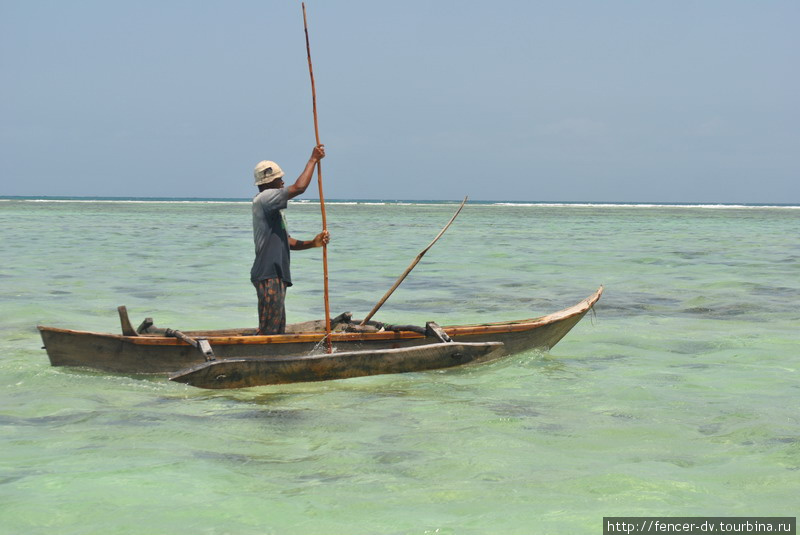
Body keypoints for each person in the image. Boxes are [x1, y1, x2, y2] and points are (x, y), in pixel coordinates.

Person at [251, 144, 329, 335]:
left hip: (276, 274)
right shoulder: (265, 198)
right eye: (279, 179)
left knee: (277, 328)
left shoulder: (274, 209)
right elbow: (299, 187)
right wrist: (313, 160)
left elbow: (288, 242)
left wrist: (313, 243)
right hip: (268, 273)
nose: (283, 183)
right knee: (270, 331)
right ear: (269, 183)